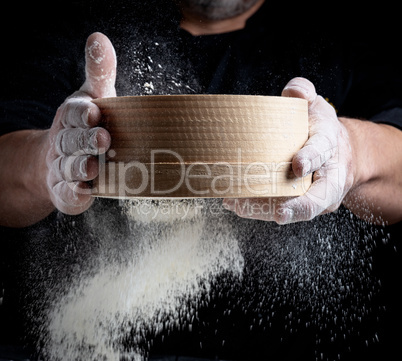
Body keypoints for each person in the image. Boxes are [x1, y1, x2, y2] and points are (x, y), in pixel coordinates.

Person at [1, 0, 401, 360]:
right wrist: (48, 161)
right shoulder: (78, 19)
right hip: (84, 345)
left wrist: (352, 152)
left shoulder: (343, 31)